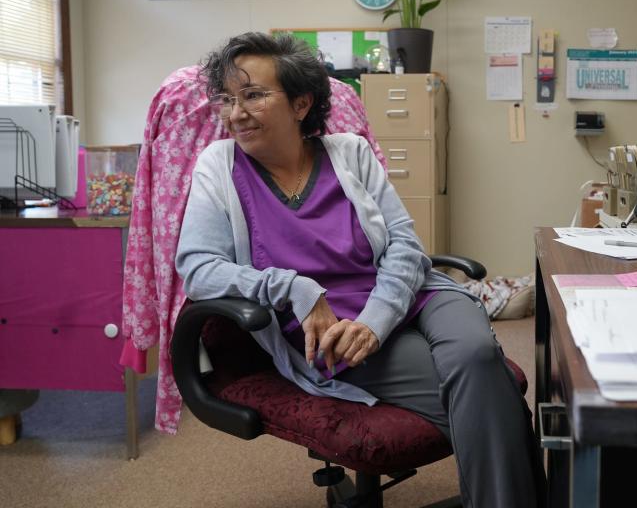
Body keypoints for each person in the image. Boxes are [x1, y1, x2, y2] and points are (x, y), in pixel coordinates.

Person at [175, 32, 541, 507]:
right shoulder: (218, 166)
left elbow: (406, 247)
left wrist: (376, 320)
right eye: (227, 99)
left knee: (474, 350)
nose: (235, 114)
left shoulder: (349, 153)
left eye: (254, 95)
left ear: (301, 103)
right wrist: (292, 286)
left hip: (414, 295)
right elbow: (199, 269)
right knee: (492, 389)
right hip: (332, 335)